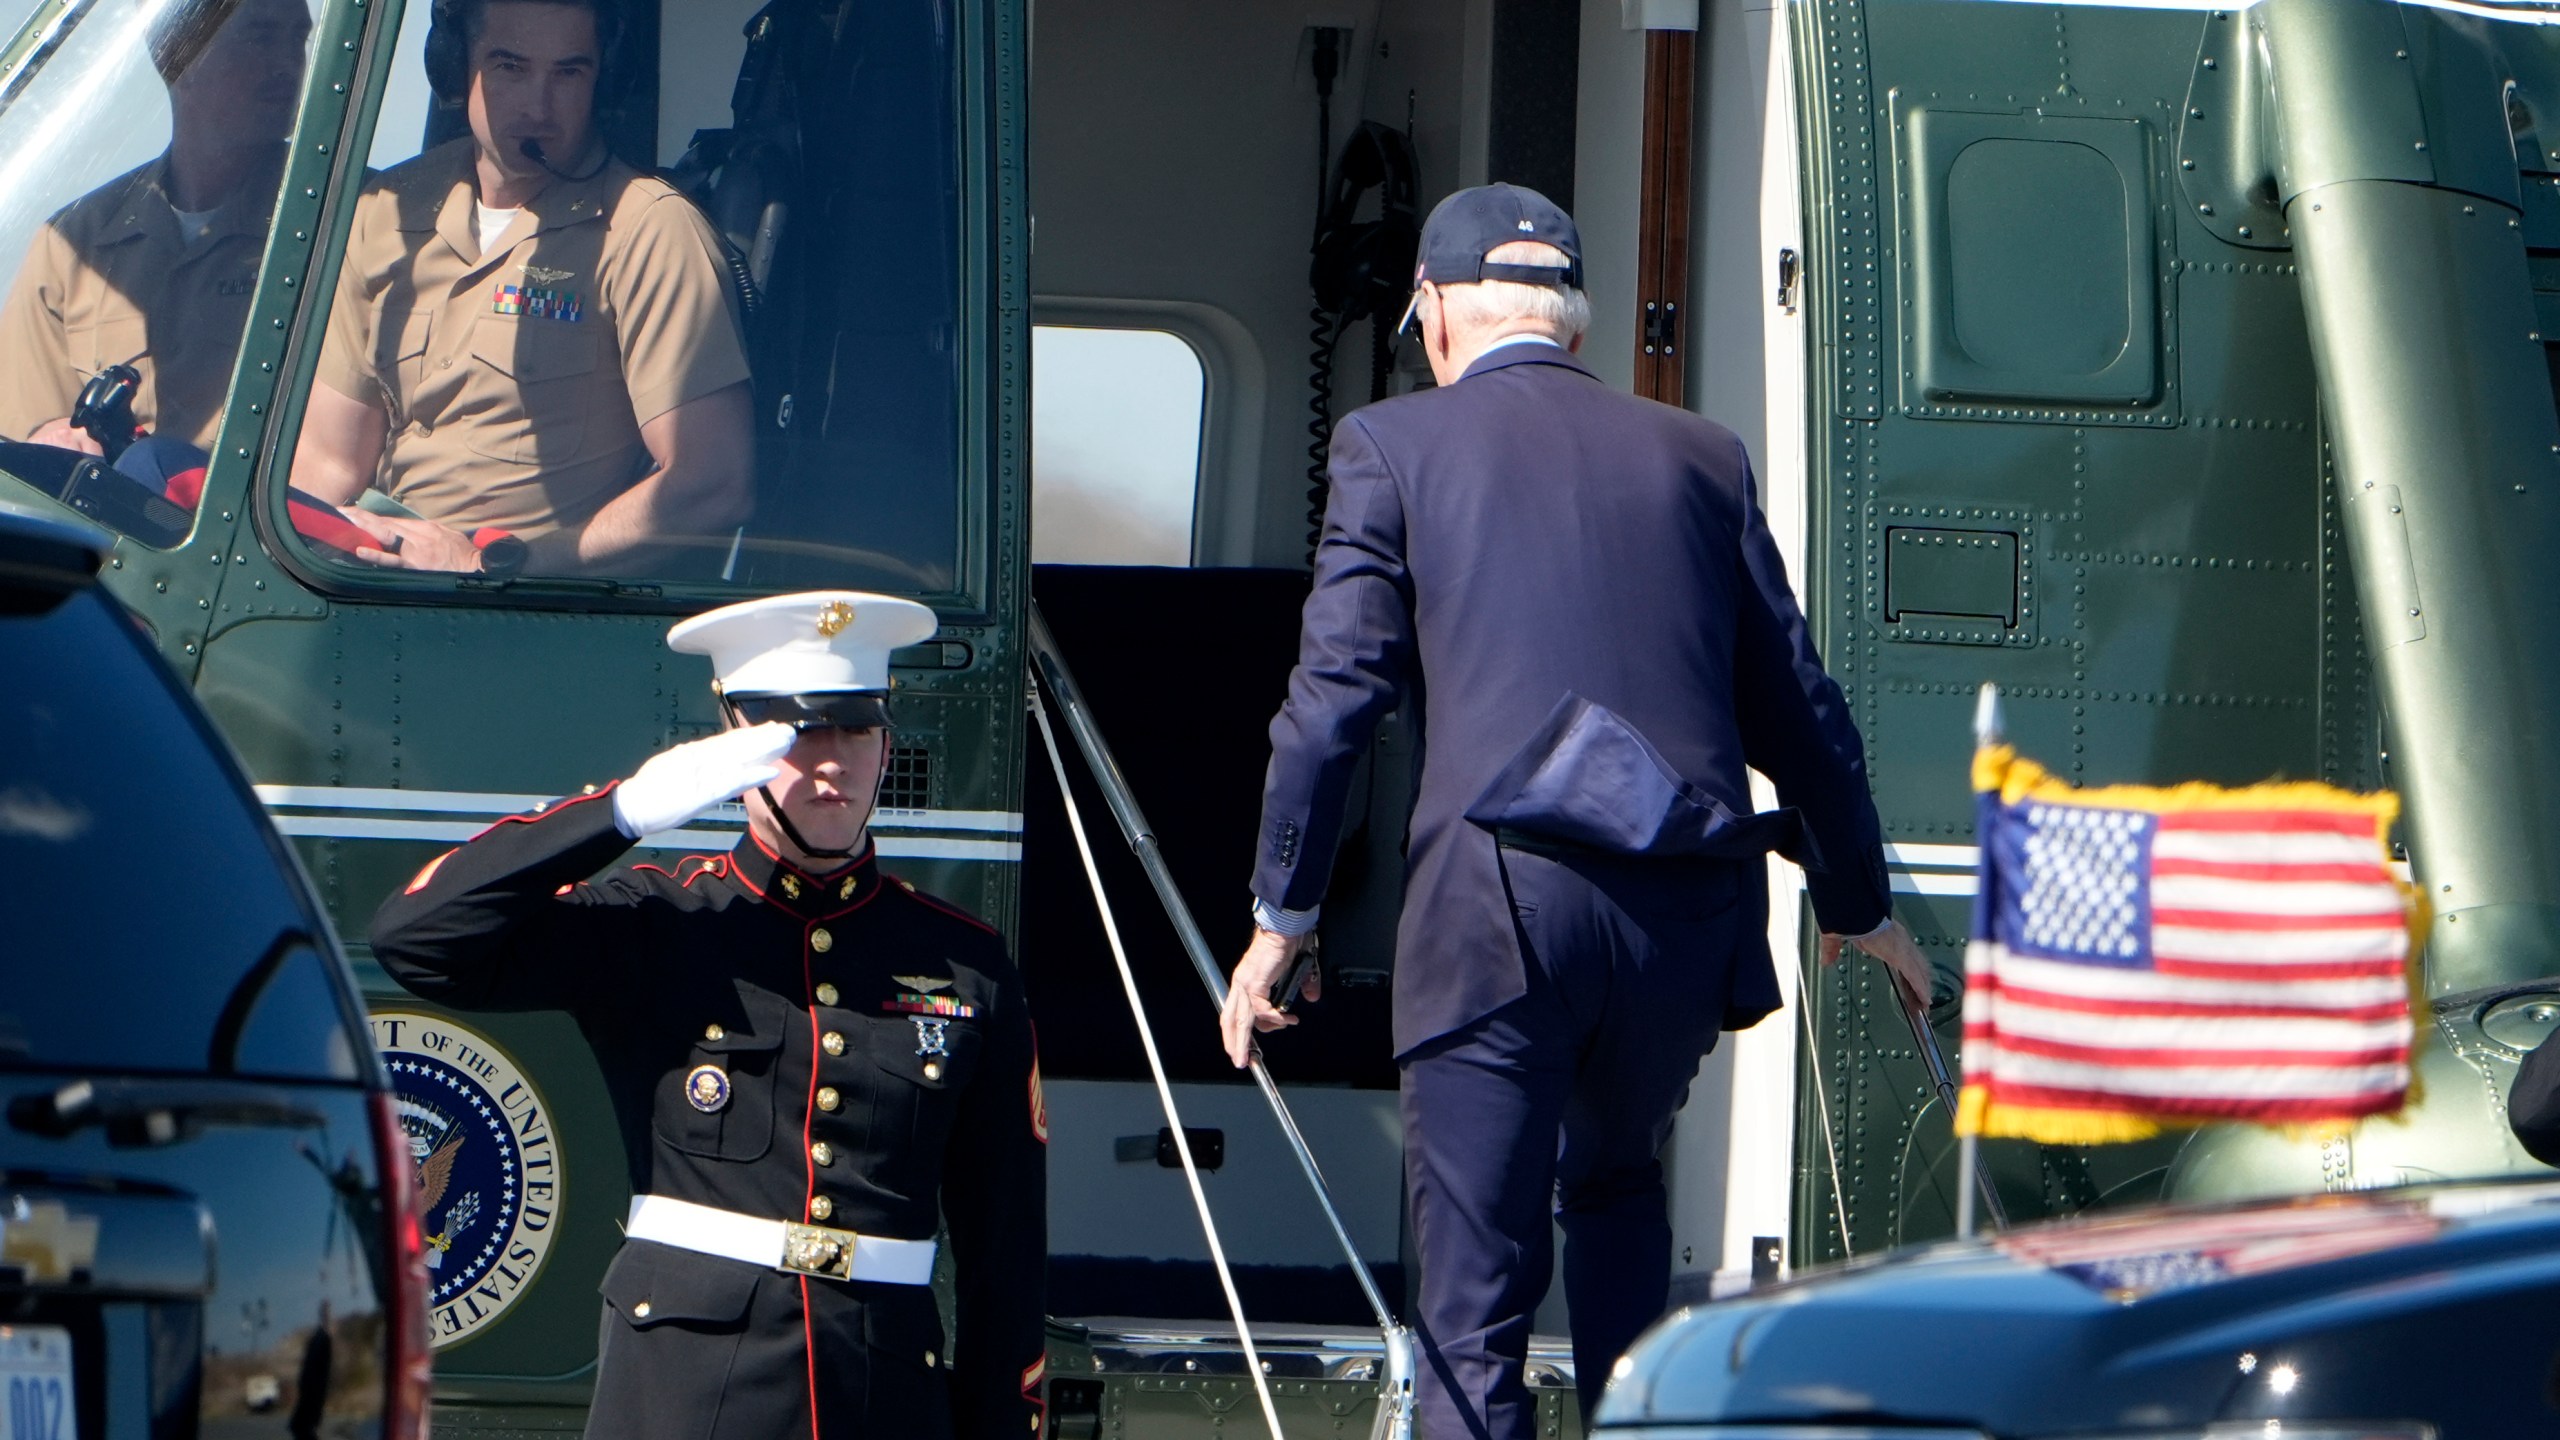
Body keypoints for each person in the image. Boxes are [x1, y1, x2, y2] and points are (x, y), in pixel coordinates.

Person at [1218, 184, 1934, 1439]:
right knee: (1616, 1199)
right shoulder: (1703, 458)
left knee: (1473, 1305)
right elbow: (1800, 710)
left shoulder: (1392, 445)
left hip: (1497, 915)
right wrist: (1860, 905)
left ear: (1433, 313)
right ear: (1576, 324)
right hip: (1675, 921)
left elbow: (1334, 705)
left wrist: (1283, 914)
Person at [370, 591, 1048, 1440]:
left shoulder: (965, 963)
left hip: (882, 1391)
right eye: (799, 733)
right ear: (738, 739)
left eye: (857, 729)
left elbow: (1004, 1249)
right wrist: (616, 814)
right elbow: (418, 938)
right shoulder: (662, 922)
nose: (832, 763)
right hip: (686, 1390)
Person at [293, 0, 753, 577]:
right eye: (510, 67)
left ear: (602, 80)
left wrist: (493, 565)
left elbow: (712, 482)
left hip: (524, 606)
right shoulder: (387, 212)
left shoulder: (648, 231)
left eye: (568, 72)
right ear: (457, 68)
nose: (540, 107)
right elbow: (329, 461)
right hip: (368, 579)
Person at [0, 0, 312, 455]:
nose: (287, 65)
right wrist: (56, 439)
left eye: (298, 41)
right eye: (260, 38)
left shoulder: (339, 224)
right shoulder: (73, 246)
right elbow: (25, 450)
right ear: (177, 53)